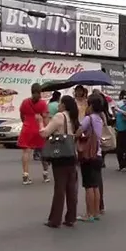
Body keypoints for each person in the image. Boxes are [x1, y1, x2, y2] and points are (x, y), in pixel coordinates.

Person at [40, 95, 80, 228]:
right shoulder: (73, 118)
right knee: (71, 188)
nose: (58, 105)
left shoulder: (59, 116)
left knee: (59, 189)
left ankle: (55, 219)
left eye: (60, 103)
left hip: (60, 155)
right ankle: (71, 217)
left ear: (64, 105)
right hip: (71, 154)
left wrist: (41, 122)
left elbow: (45, 133)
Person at [75, 95, 104, 222]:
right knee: (96, 185)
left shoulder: (89, 118)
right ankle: (96, 212)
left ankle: (89, 214)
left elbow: (79, 131)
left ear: (91, 105)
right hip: (98, 153)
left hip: (88, 154)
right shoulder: (100, 119)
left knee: (88, 186)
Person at [18, 83, 50, 185]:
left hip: (27, 128)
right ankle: (45, 174)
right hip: (39, 129)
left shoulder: (25, 102)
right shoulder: (43, 104)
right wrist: (47, 129)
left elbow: (22, 116)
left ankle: (25, 175)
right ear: (40, 92)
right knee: (43, 152)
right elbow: (45, 117)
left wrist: (26, 122)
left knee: (26, 152)